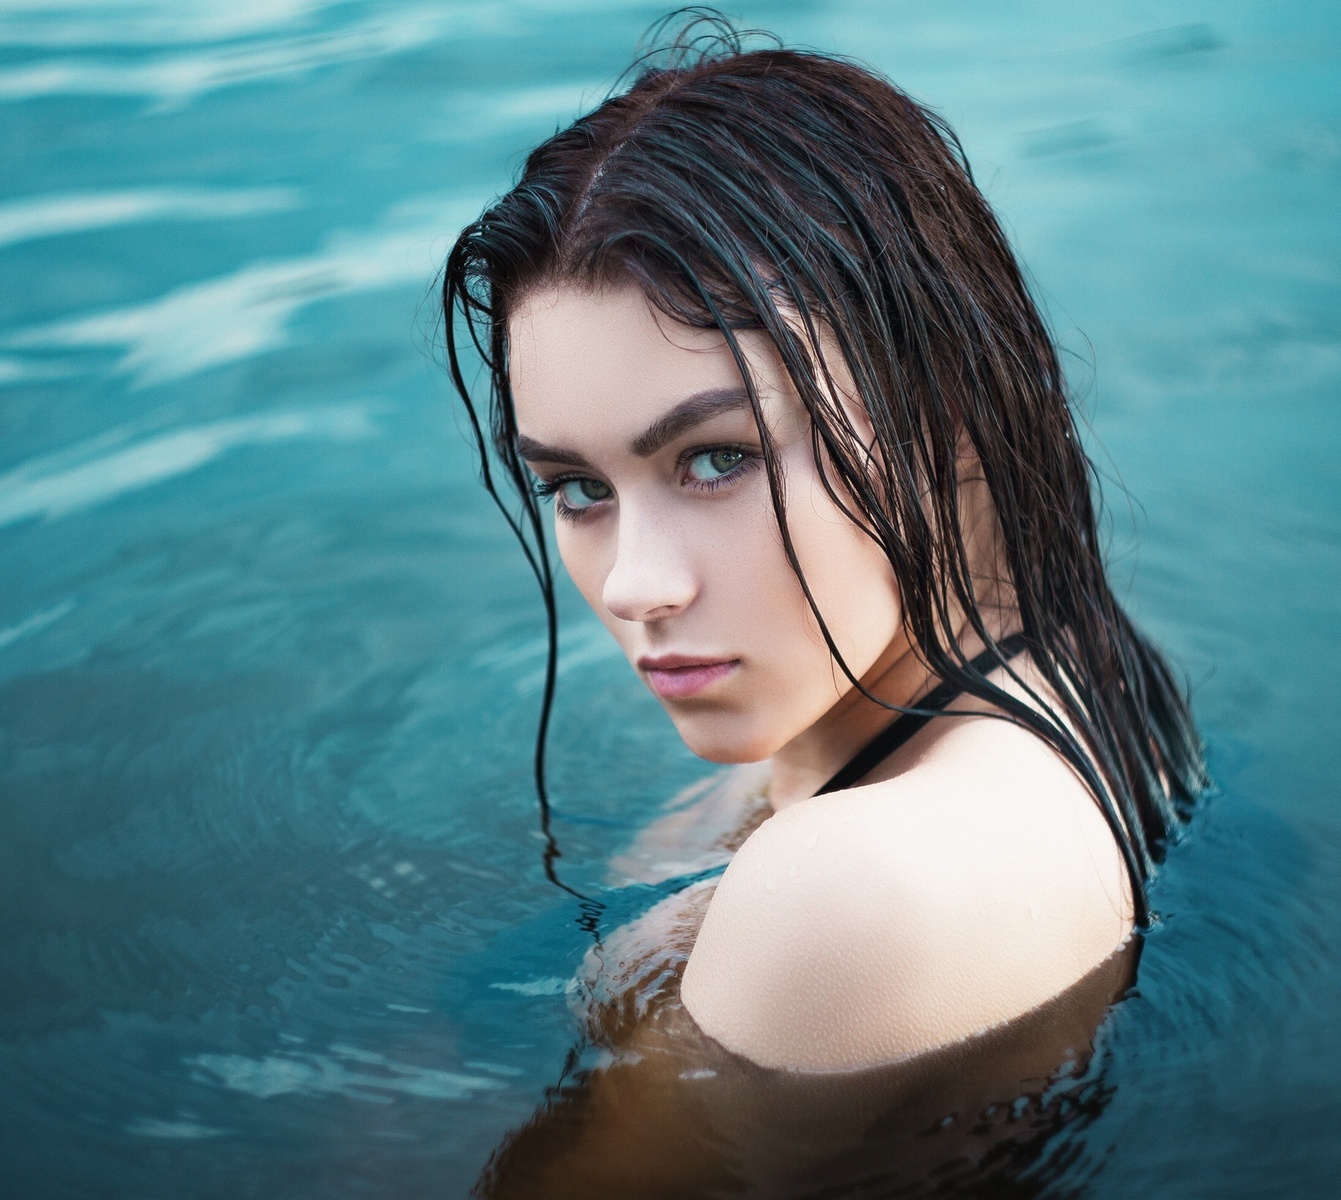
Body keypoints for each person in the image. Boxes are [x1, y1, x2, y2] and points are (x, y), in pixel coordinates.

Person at [442, 14, 1204, 1193]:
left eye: (716, 459)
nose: (638, 587)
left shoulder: (848, 898)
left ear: (942, 417)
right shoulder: (1070, 670)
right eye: (577, 487)